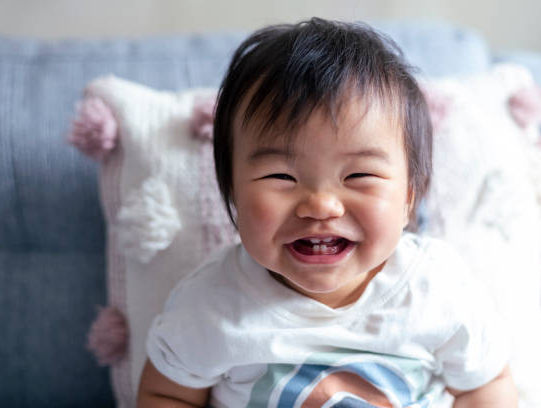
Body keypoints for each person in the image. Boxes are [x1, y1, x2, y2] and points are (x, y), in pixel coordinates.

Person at [137, 17, 517, 407]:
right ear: (232, 193)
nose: (321, 204)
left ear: (408, 197)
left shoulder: (437, 289)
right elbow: (166, 394)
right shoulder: (210, 305)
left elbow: (485, 385)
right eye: (281, 175)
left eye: (358, 174)